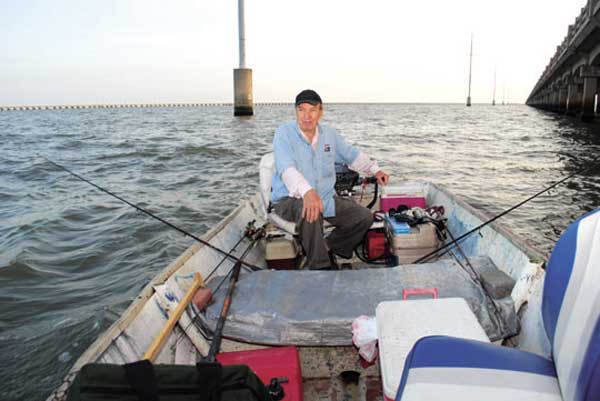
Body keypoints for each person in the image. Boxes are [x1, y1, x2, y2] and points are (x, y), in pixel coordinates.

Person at [271, 89, 390, 269]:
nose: (306, 116)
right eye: (301, 110)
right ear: (296, 111)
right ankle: (320, 266)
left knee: (363, 217)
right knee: (310, 209)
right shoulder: (283, 133)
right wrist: (307, 192)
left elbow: (351, 155)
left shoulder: (329, 135)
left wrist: (375, 170)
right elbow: (287, 169)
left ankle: (328, 246)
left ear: (320, 112)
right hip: (289, 199)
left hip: (325, 198)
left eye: (312, 110)